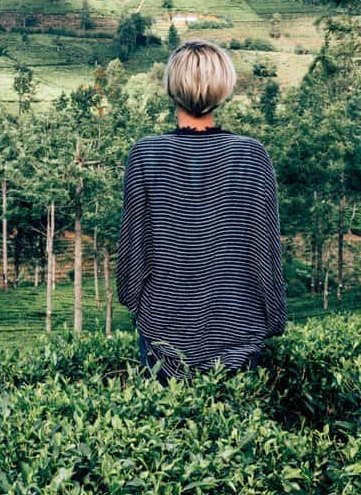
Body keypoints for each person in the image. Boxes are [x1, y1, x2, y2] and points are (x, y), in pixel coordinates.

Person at [116, 37, 287, 384]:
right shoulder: (251, 155)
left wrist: (138, 306)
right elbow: (265, 251)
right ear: (223, 88)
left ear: (171, 87)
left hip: (162, 332)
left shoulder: (145, 155)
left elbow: (133, 258)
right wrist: (274, 320)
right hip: (240, 332)